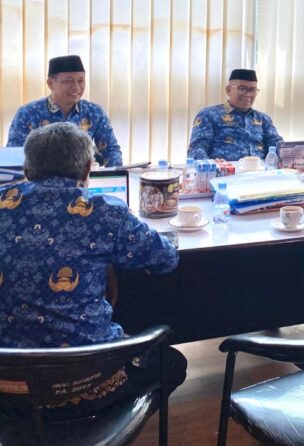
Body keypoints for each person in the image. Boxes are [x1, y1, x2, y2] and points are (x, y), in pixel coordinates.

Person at [0, 122, 184, 415]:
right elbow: (166, 259)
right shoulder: (105, 211)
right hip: (85, 378)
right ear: (87, 169)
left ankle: (35, 425)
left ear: (27, 169)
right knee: (172, 362)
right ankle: (92, 422)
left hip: (8, 380)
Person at [6, 55, 123, 167]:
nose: (76, 87)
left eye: (80, 81)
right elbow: (14, 156)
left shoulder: (94, 112)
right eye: (68, 81)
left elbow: (111, 150)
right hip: (41, 179)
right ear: (51, 83)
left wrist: (116, 176)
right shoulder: (27, 113)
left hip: (83, 179)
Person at [188, 68, 283, 161]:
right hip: (223, 169)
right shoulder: (209, 115)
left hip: (260, 169)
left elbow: (279, 147)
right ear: (228, 90)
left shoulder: (263, 119)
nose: (248, 95)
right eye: (242, 89)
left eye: (252, 90)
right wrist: (211, 165)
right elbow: (196, 149)